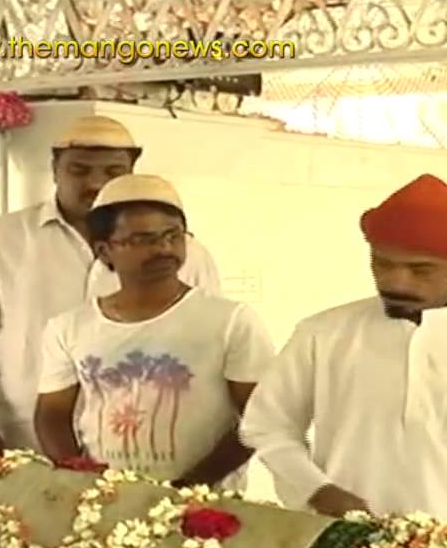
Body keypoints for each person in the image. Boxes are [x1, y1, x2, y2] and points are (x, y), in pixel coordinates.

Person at [240, 173, 447, 548]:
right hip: (344, 544)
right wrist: (317, 490)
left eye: (420, 270)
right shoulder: (322, 334)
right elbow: (267, 425)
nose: (396, 282)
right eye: (382, 263)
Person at [0, 115, 221, 451]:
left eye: (113, 173)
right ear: (54, 169)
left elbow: (209, 354)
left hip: (149, 453)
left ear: (132, 172)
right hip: (23, 451)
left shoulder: (186, 255)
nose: (95, 184)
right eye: (79, 170)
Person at [34, 174, 273, 487]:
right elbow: (51, 414)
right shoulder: (69, 327)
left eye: (173, 236)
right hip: (105, 502)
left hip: (206, 508)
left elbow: (261, 416)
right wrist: (82, 478)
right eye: (142, 240)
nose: (164, 249)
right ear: (105, 251)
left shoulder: (230, 321)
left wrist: (190, 488)